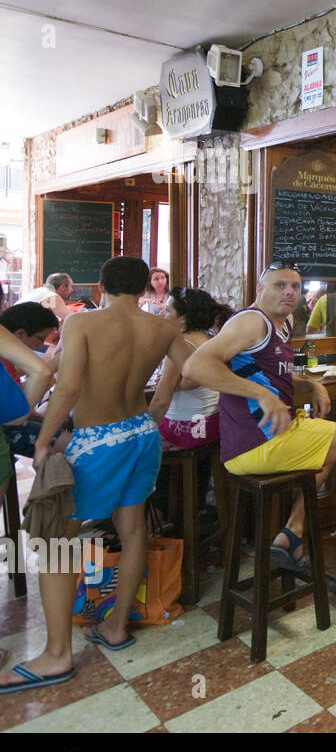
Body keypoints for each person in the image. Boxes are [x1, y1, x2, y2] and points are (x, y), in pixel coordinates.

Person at [0, 257, 187, 695]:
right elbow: (192, 366)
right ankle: (117, 626)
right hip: (142, 433)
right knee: (133, 524)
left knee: (57, 540)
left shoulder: (83, 324)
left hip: (97, 439)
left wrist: (44, 440)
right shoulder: (162, 328)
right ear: (144, 286)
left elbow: (66, 386)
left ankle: (56, 655)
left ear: (101, 285)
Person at [183, 262, 336, 572]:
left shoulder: (282, 323)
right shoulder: (251, 323)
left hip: (274, 434)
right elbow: (195, 367)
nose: (289, 292)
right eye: (279, 285)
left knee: (331, 445)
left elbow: (271, 375)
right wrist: (261, 395)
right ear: (260, 289)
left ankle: (291, 534)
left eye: (295, 287)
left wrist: (311, 385)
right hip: (255, 443)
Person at [147, 287, 222, 450]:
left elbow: (160, 402)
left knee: (134, 442)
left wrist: (143, 434)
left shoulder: (181, 345)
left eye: (167, 310)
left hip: (189, 429)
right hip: (213, 424)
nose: (161, 315)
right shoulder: (210, 338)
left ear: (183, 318)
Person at [0, 302, 68, 457]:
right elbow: (16, 415)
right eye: (40, 338)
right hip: (6, 428)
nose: (41, 345)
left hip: (10, 422)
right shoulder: (5, 362)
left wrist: (44, 419)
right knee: (71, 445)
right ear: (20, 334)